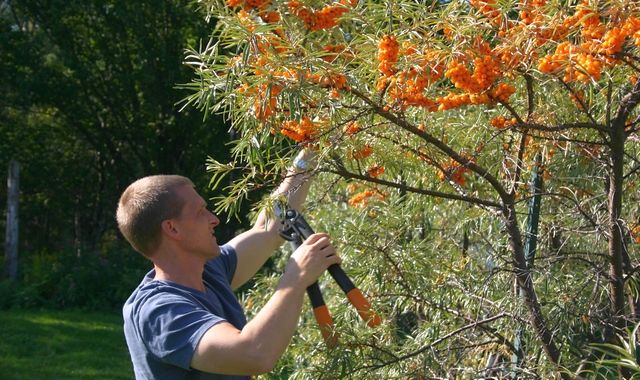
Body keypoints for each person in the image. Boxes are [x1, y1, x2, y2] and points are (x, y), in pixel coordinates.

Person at [116, 149, 340, 379]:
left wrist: (310, 151)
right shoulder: (158, 311)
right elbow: (253, 354)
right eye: (200, 212)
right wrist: (296, 276)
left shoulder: (210, 270)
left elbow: (270, 228)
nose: (214, 218)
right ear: (172, 229)